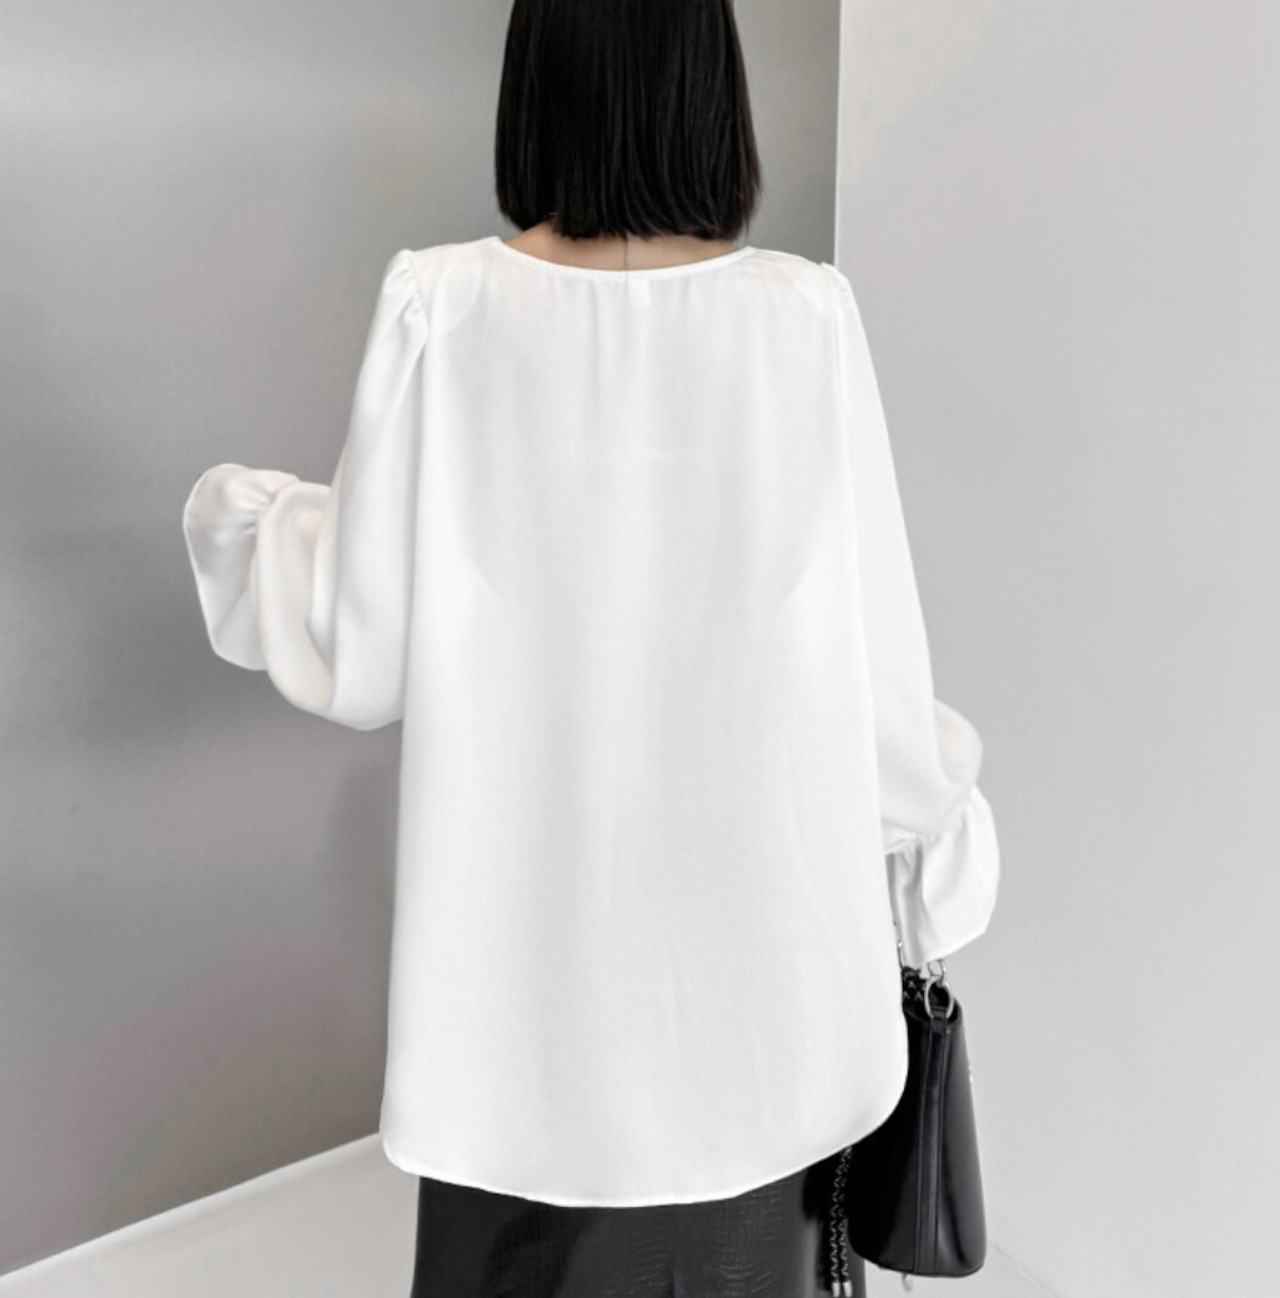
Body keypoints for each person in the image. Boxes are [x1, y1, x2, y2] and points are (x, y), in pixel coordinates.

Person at [180, 0, 1001, 1293]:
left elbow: (360, 643)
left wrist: (252, 523)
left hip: (515, 1027)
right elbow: (877, 683)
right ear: (709, 90)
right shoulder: (803, 318)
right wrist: (936, 851)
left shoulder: (442, 306)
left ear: (537, 85)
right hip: (759, 1008)